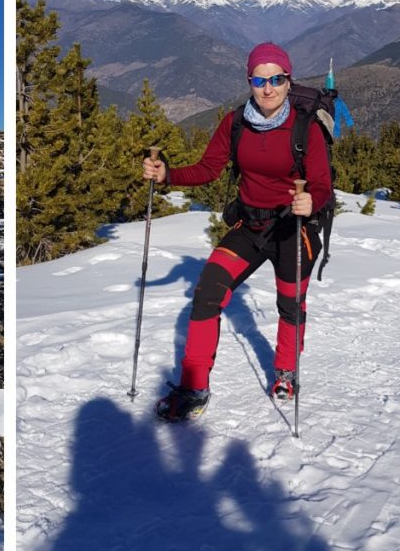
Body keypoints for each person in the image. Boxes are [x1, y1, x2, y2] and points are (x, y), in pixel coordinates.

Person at [142, 43, 331, 421]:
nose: (268, 88)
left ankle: (286, 374)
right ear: (249, 82)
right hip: (250, 225)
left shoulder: (304, 127)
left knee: (290, 306)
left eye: (276, 79)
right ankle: (194, 387)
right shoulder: (235, 123)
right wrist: (168, 175)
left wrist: (311, 200)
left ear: (288, 81)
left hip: (293, 228)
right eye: (259, 80)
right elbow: (208, 168)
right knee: (207, 292)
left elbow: (323, 183)